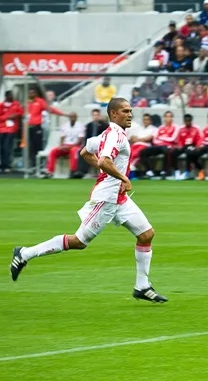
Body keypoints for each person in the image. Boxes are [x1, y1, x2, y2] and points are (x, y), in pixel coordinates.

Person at [9, 98, 167, 303]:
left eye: (130, 111)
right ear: (113, 114)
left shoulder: (106, 135)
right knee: (79, 242)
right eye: (125, 111)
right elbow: (104, 160)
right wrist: (123, 178)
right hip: (106, 198)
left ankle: (142, 286)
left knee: (146, 234)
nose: (130, 114)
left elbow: (85, 151)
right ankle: (24, 253)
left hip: (119, 198)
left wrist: (110, 175)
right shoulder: (115, 136)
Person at [139, 110, 180, 178]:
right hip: (158, 146)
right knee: (143, 152)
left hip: (169, 146)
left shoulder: (176, 127)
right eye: (166, 117)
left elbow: (173, 139)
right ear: (164, 118)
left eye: (170, 117)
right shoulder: (160, 127)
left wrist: (161, 138)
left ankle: (165, 171)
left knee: (167, 151)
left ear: (172, 118)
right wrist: (162, 140)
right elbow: (155, 139)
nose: (168, 118)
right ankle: (149, 172)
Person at [45, 111, 85, 178]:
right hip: (66, 145)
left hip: (75, 146)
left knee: (74, 151)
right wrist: (61, 146)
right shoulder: (65, 125)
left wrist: (70, 147)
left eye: (73, 117)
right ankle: (50, 171)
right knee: (53, 151)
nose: (72, 118)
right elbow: (62, 137)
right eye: (71, 117)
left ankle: (73, 171)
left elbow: (80, 140)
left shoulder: (80, 126)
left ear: (76, 118)